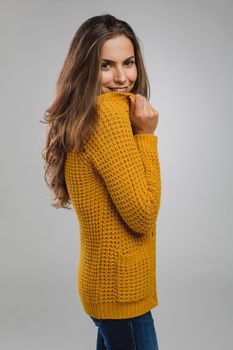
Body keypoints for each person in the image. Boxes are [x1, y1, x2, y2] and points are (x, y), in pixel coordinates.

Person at [41, 13, 161, 350]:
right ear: (84, 68)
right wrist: (147, 137)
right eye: (106, 65)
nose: (122, 77)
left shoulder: (83, 114)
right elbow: (143, 215)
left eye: (129, 63)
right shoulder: (108, 116)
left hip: (102, 285)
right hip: (123, 293)